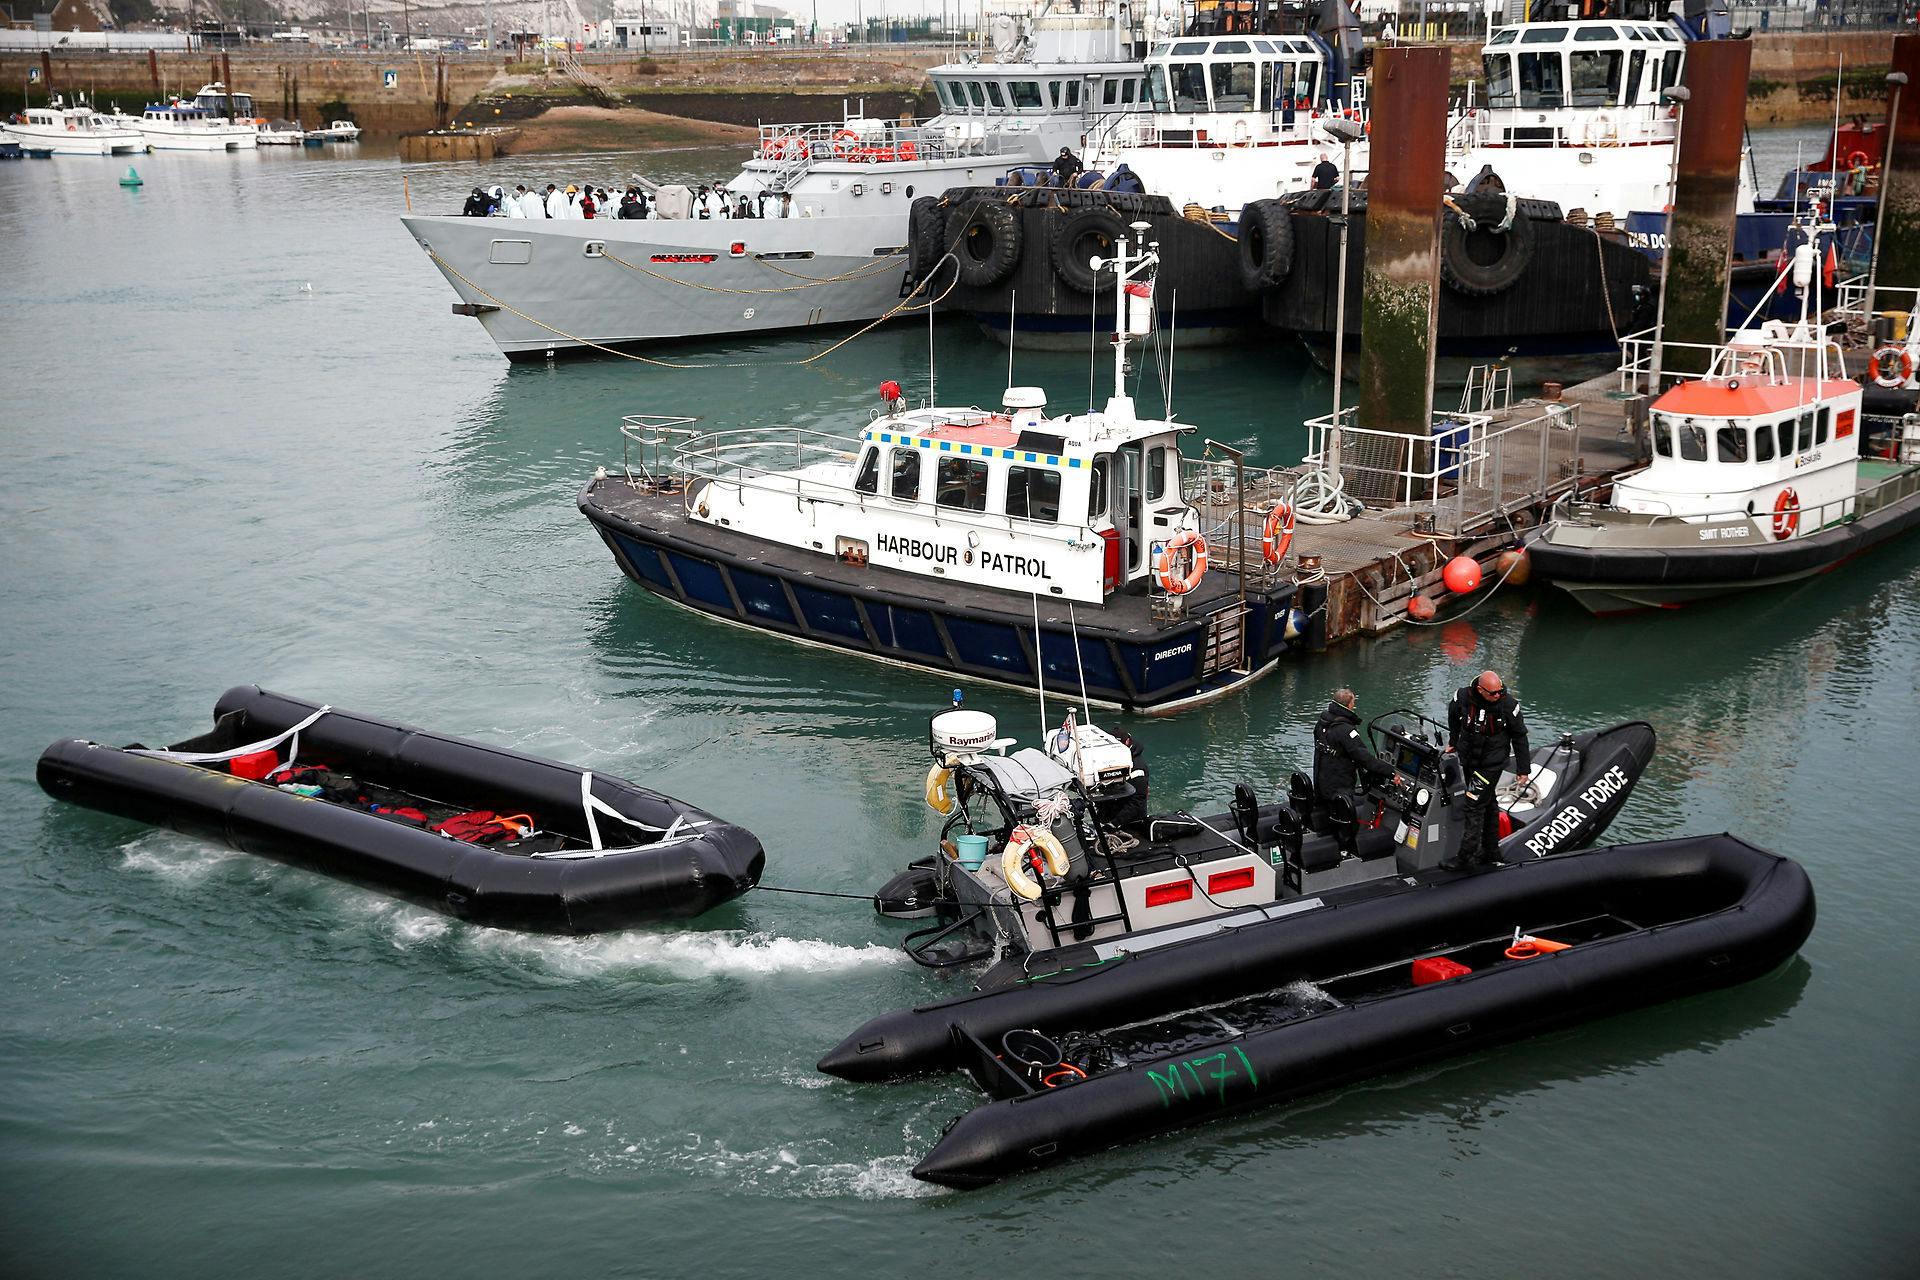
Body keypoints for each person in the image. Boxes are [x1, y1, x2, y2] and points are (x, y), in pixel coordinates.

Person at [1443, 670, 1531, 871]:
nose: (1498, 695)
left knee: (1473, 804)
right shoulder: (1463, 697)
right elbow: (1453, 716)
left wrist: (1523, 769)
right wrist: (1453, 741)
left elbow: (1520, 737)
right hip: (1469, 759)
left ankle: (1466, 857)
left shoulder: (1508, 705)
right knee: (1489, 802)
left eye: (1500, 691)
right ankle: (1491, 851)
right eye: (1493, 693)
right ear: (1480, 690)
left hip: (1490, 764)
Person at [1312, 688, 1392, 813]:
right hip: (1339, 789)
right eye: (1353, 702)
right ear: (1349, 705)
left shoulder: (1321, 724)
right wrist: (1390, 772)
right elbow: (1365, 759)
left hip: (1321, 784)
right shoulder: (1346, 731)